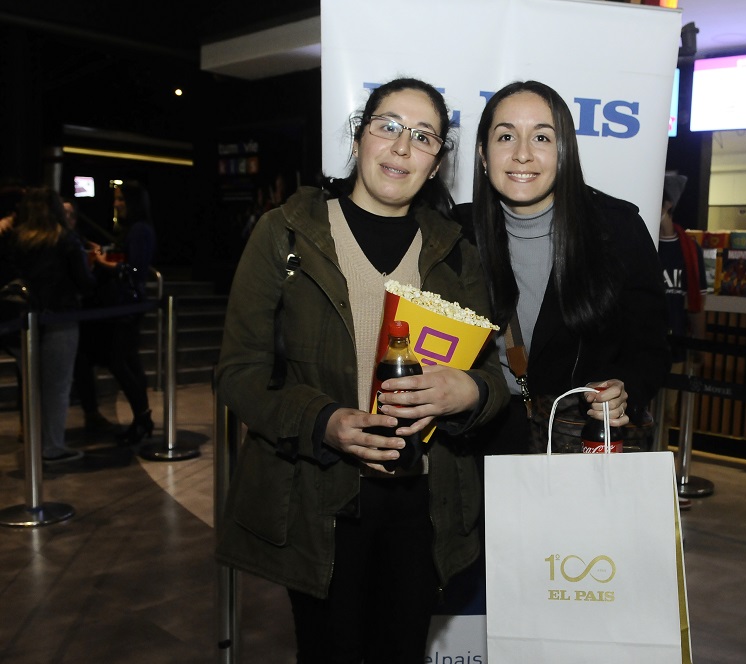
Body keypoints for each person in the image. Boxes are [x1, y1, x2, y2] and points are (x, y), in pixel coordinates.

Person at [214, 77, 508, 664]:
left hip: (424, 503)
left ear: (437, 162)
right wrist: (322, 421)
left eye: (423, 136)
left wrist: (468, 390)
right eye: (388, 126)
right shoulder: (287, 234)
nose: (402, 147)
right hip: (320, 500)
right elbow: (238, 373)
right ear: (359, 138)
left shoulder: (457, 254)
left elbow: (498, 378)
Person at [461, 79, 669, 454]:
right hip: (475, 443)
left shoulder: (618, 230)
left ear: (565, 151)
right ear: (483, 153)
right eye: (506, 137)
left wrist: (625, 390)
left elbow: (651, 346)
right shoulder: (454, 234)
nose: (522, 154)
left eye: (542, 137)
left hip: (576, 441)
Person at [8, 187, 94, 463]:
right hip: (60, 319)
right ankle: (52, 447)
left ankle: (34, 446)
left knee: (31, 387)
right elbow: (84, 283)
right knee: (56, 387)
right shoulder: (65, 239)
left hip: (22, 323)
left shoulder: (15, 240)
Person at [77, 181, 156, 441]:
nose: (116, 203)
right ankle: (142, 419)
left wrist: (102, 262)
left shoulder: (140, 230)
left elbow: (134, 271)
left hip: (128, 308)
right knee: (126, 362)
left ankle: (143, 418)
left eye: (121, 199)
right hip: (124, 306)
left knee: (120, 362)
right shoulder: (132, 230)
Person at [656, 173, 708, 436]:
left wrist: (700, 344)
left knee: (666, 414)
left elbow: (696, 302)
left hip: (675, 345)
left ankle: (657, 471)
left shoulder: (689, 249)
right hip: (644, 345)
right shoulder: (644, 243)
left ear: (667, 205)